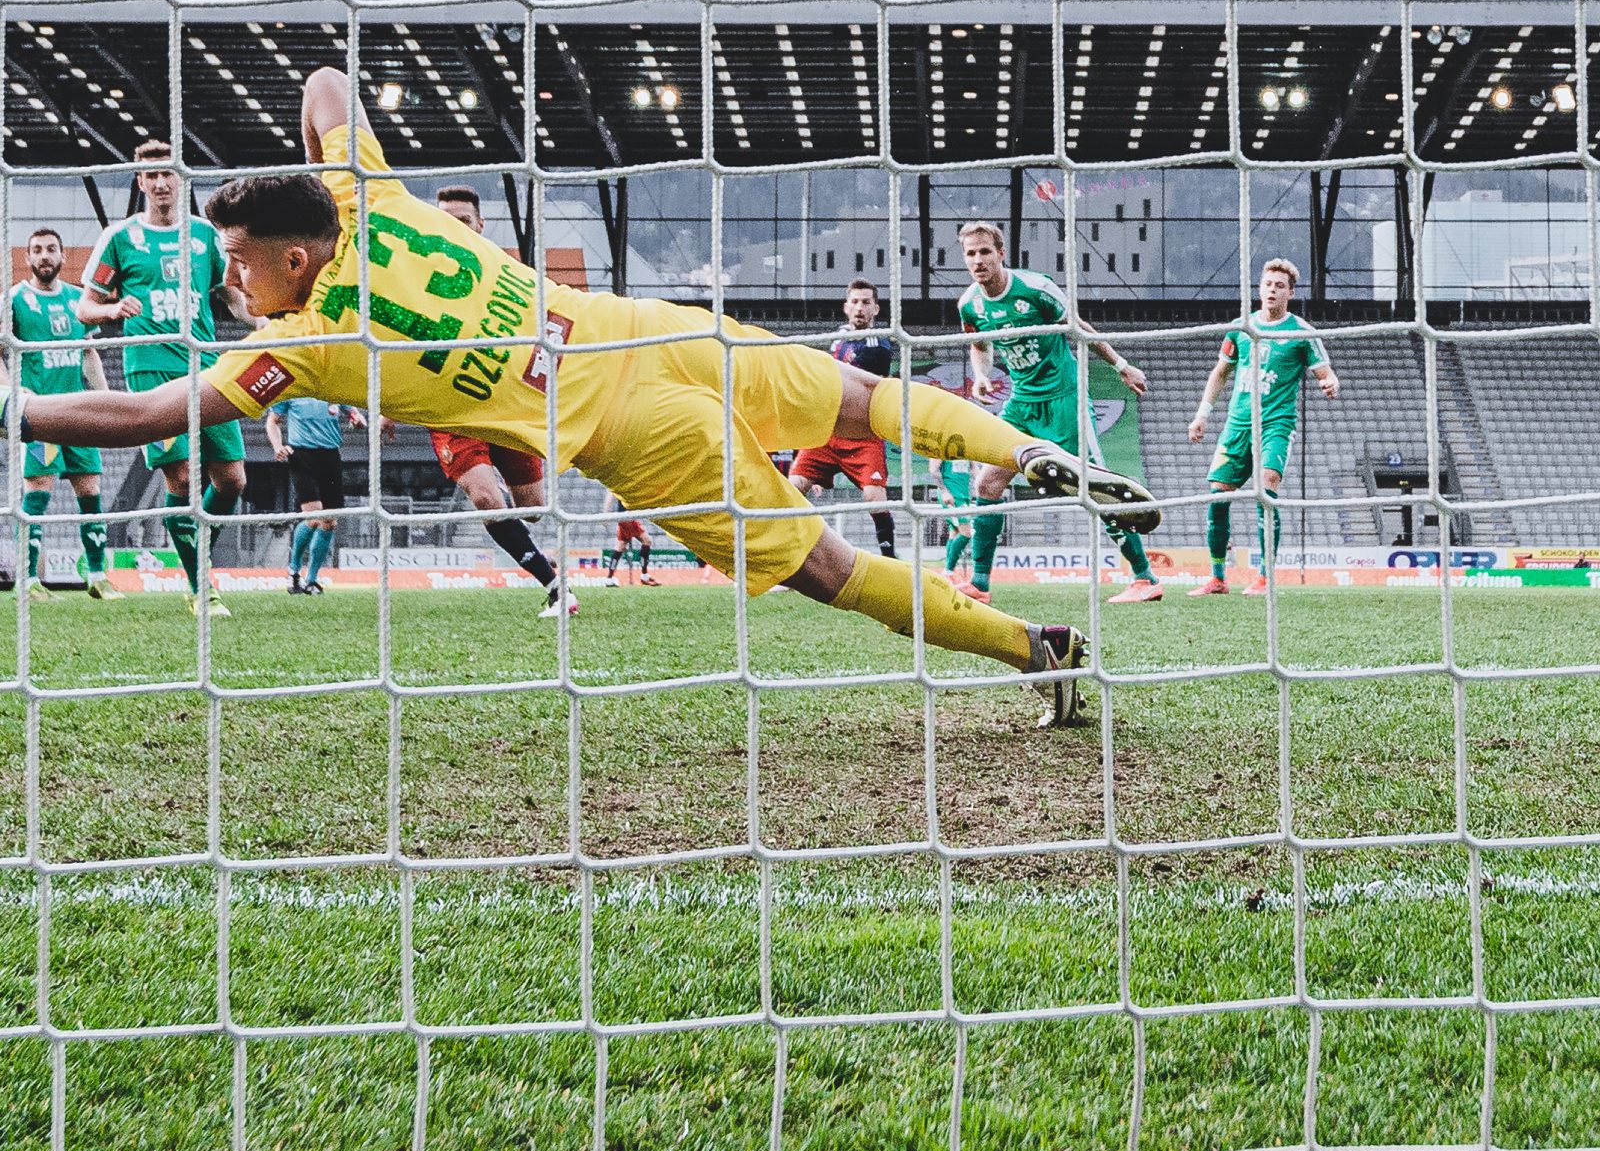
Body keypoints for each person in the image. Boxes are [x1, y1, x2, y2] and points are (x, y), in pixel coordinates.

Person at [17, 70, 1155, 726]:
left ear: (299, 261)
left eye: (243, 260)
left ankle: (1033, 649)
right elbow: (323, 85)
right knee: (860, 397)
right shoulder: (374, 196)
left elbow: (151, 414)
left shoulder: (308, 344)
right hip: (637, 328)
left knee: (825, 569)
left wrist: (16, 407)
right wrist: (320, 172)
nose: (231, 277)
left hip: (623, 430)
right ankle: (1024, 447)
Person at [952, 221, 1163, 607]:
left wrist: (1121, 366)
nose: (978, 259)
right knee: (986, 484)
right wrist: (981, 375)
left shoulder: (1035, 288)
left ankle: (1144, 577)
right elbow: (979, 344)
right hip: (1021, 404)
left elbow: (1079, 327)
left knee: (1095, 489)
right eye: (970, 253)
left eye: (985, 251)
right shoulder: (969, 304)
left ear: (1001, 253)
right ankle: (979, 584)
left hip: (1065, 397)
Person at [76, 139, 246, 616]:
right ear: (140, 181)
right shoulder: (120, 237)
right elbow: (84, 307)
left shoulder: (206, 235)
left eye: (167, 173)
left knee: (232, 480)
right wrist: (113, 307)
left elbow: (229, 294)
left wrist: (260, 318)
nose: (160, 182)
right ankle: (202, 589)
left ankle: (196, 551)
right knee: (184, 475)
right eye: (150, 175)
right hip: (150, 368)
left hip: (209, 366)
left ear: (180, 177)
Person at [424, 185, 569, 619]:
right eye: (445, 220)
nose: (454, 228)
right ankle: (556, 587)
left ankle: (538, 556)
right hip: (450, 406)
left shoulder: (509, 275)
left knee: (534, 510)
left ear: (480, 225)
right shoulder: (420, 278)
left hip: (503, 400)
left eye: (463, 220)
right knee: (487, 499)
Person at [1187, 258, 1339, 595]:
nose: (1272, 290)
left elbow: (1325, 372)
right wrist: (1202, 414)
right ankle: (1217, 578)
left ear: (1290, 292)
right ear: (1259, 288)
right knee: (1217, 497)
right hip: (1237, 425)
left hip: (1276, 425)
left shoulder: (1301, 331)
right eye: (1268, 284)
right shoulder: (1241, 327)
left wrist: (1331, 383)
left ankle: (1265, 577)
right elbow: (1220, 372)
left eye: (1279, 286)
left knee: (1267, 488)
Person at [10, 228, 109, 596]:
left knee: (91, 489)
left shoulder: (76, 299)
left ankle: (98, 577)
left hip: (79, 412)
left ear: (63, 257)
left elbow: (87, 353)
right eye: (37, 250)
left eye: (51, 249)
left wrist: (106, 397)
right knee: (38, 491)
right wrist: (11, 391)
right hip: (41, 415)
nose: (44, 255)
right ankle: (30, 580)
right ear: (28, 258)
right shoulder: (15, 300)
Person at [790, 278, 900, 558]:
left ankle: (890, 560)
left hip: (863, 436)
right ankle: (794, 559)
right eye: (855, 302)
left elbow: (849, 383)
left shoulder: (878, 345)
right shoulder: (838, 336)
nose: (860, 308)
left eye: (866, 302)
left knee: (874, 498)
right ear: (845, 307)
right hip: (827, 434)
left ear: (876, 309)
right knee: (792, 490)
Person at [266, 393, 349, 594]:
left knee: (329, 522)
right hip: (301, 455)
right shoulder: (295, 389)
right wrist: (278, 446)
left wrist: (356, 418)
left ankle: (312, 579)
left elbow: (352, 410)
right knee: (313, 517)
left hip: (330, 455)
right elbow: (272, 421)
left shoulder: (333, 385)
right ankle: (294, 572)